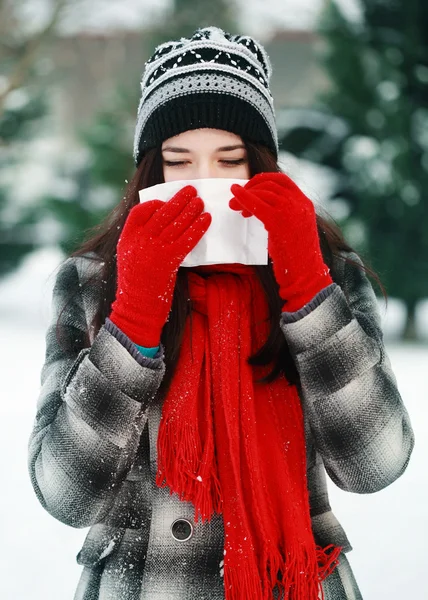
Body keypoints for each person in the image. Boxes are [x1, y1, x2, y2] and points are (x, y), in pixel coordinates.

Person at [28, 26, 414, 600]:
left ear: (261, 167)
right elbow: (64, 492)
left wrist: (309, 293)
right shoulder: (93, 284)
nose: (203, 184)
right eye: (178, 162)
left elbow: (376, 462)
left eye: (228, 159)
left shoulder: (326, 273)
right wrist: (132, 321)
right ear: (149, 174)